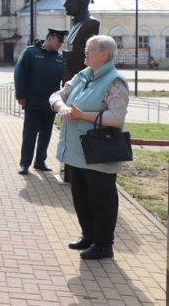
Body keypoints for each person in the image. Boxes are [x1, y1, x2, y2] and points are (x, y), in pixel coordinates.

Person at [50, 35, 129, 260]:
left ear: (104, 54)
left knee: (101, 200)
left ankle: (103, 245)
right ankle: (88, 236)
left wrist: (82, 115)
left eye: (90, 49)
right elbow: (57, 95)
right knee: (81, 197)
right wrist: (61, 107)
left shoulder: (115, 81)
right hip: (76, 151)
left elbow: (116, 116)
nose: (85, 52)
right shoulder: (83, 75)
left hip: (98, 152)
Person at [15, 28, 67, 175]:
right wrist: (21, 95)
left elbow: (65, 80)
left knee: (46, 134)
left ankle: (40, 161)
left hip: (50, 103)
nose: (60, 44)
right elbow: (19, 74)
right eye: (58, 40)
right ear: (49, 38)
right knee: (30, 134)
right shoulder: (30, 53)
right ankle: (24, 163)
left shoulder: (60, 58)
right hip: (33, 101)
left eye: (62, 41)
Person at [62, 0, 100, 83]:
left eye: (69, 2)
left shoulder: (90, 24)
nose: (64, 5)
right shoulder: (76, 25)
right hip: (70, 80)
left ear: (82, 3)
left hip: (81, 81)